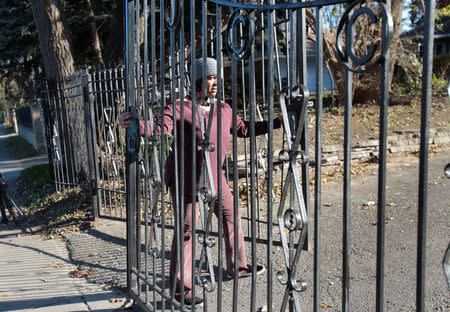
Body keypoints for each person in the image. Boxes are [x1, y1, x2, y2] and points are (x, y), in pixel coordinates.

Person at [119, 57, 282, 308]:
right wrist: (135, 126)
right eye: (209, 77)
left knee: (232, 216)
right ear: (197, 80)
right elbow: (159, 127)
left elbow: (244, 129)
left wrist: (278, 122)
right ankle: (180, 289)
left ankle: (237, 267)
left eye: (216, 77)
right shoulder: (179, 107)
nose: (215, 82)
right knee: (186, 234)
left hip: (216, 179)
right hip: (187, 183)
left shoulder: (224, 109)